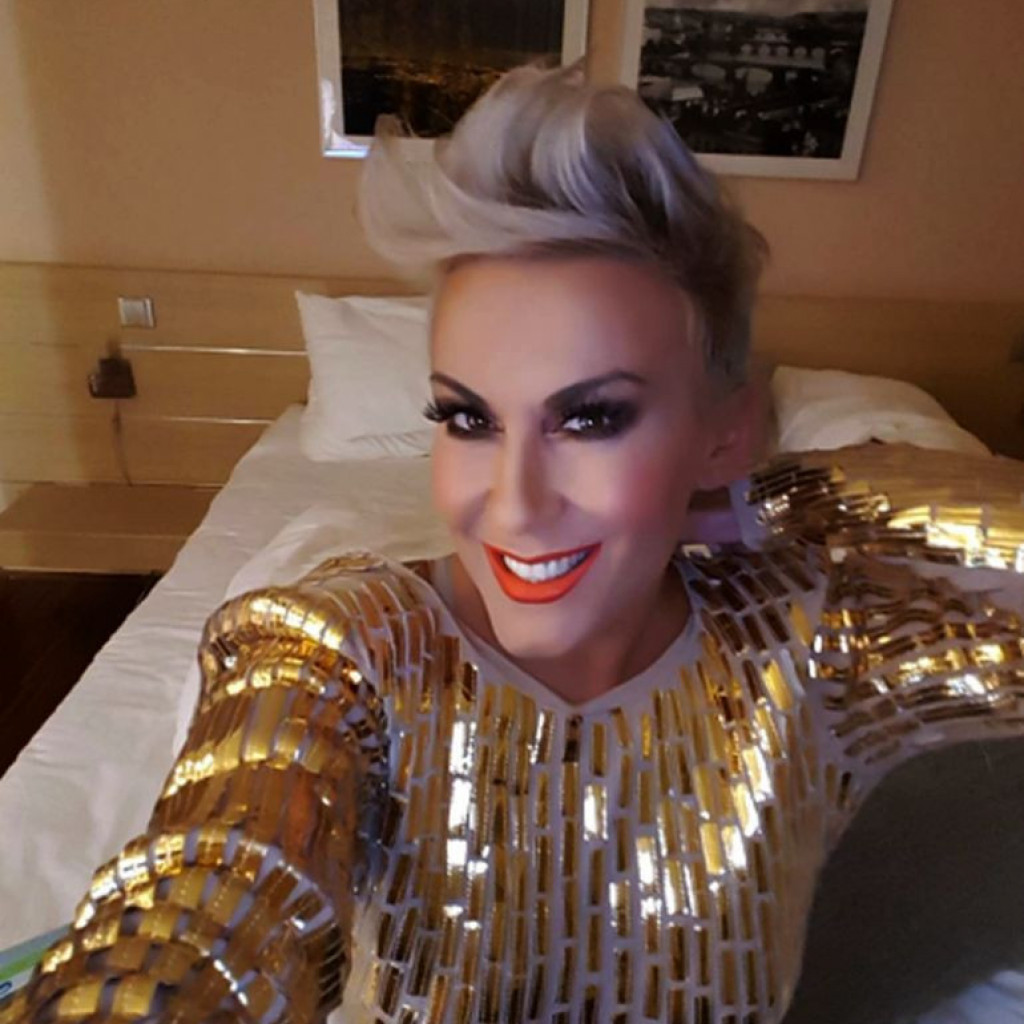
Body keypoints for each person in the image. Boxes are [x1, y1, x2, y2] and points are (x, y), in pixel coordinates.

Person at [5, 65, 1024, 1024]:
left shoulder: (812, 636)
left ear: (724, 430)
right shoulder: (340, 647)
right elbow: (210, 902)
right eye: (468, 418)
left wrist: (773, 496)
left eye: (591, 418)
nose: (514, 506)